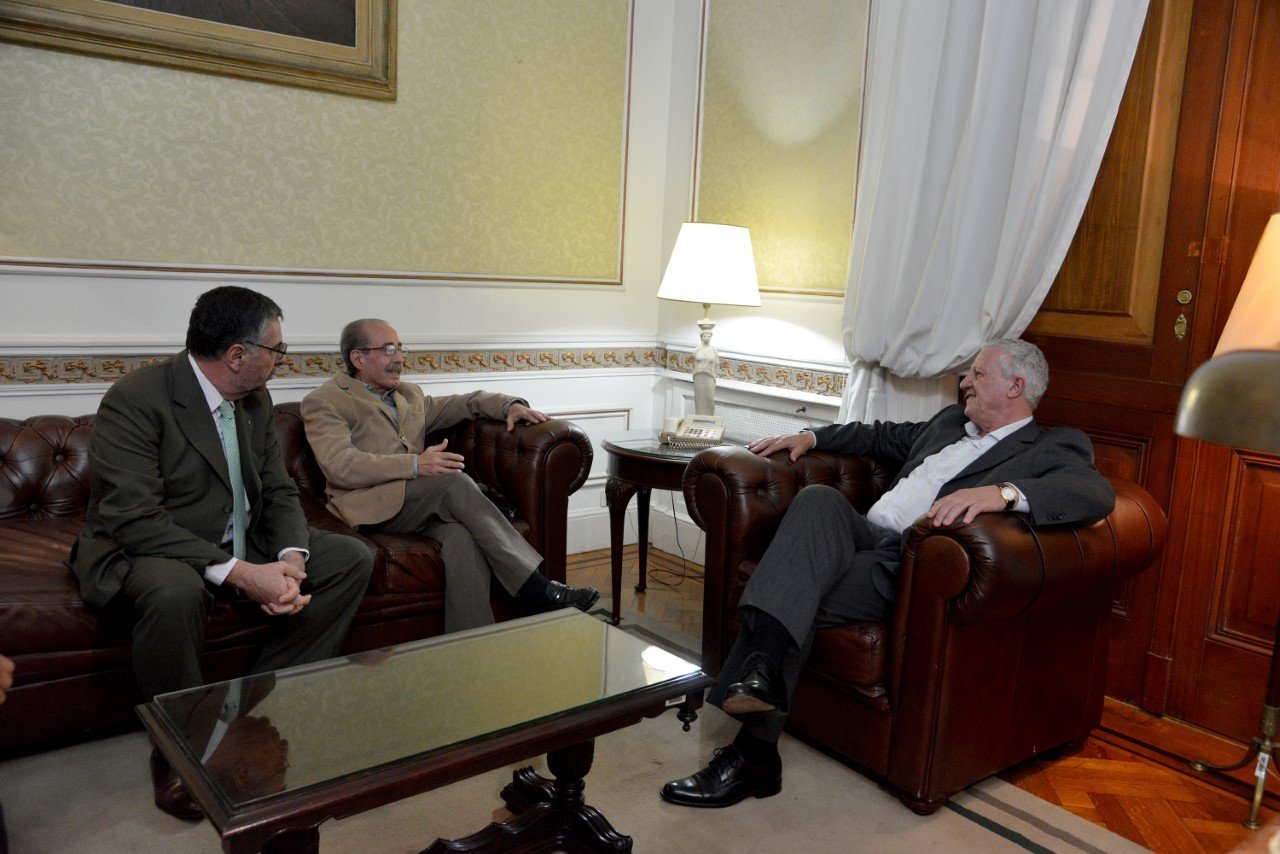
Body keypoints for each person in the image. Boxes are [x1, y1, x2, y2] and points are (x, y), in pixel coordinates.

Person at [660, 338, 1115, 808]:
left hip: (907, 561)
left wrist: (1002, 494)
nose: (964, 383)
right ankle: (759, 681)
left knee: (798, 588)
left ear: (1017, 385)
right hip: (859, 534)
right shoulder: (948, 424)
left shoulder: (1050, 446)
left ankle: (753, 749)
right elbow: (877, 435)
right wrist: (812, 437)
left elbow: (1092, 492)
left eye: (977, 374)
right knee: (818, 499)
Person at [71, 286, 374, 821]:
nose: (283, 360)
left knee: (352, 558)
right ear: (238, 354)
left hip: (244, 533)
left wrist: (293, 561)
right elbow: (134, 517)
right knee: (173, 592)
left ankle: (250, 708)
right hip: (154, 541)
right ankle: (176, 754)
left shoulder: (252, 400)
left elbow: (278, 491)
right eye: (277, 350)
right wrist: (243, 574)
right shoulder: (136, 398)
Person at [300, 319, 598, 633]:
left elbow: (462, 404)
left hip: (416, 505)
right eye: (389, 350)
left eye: (400, 349)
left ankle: (469, 645)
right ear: (358, 359)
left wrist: (508, 405)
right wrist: (416, 465)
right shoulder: (325, 401)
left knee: (461, 537)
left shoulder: (408, 395)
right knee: (452, 483)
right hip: (369, 506)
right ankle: (535, 587)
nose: (399, 358)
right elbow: (340, 464)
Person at [692, 324, 717, 415]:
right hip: (699, 376)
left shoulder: (714, 350)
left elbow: (716, 364)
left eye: (709, 336)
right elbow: (694, 363)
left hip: (710, 377)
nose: (707, 338)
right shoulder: (697, 350)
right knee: (699, 398)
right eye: (705, 335)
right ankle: (699, 417)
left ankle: (709, 418)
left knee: (709, 398)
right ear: (701, 337)